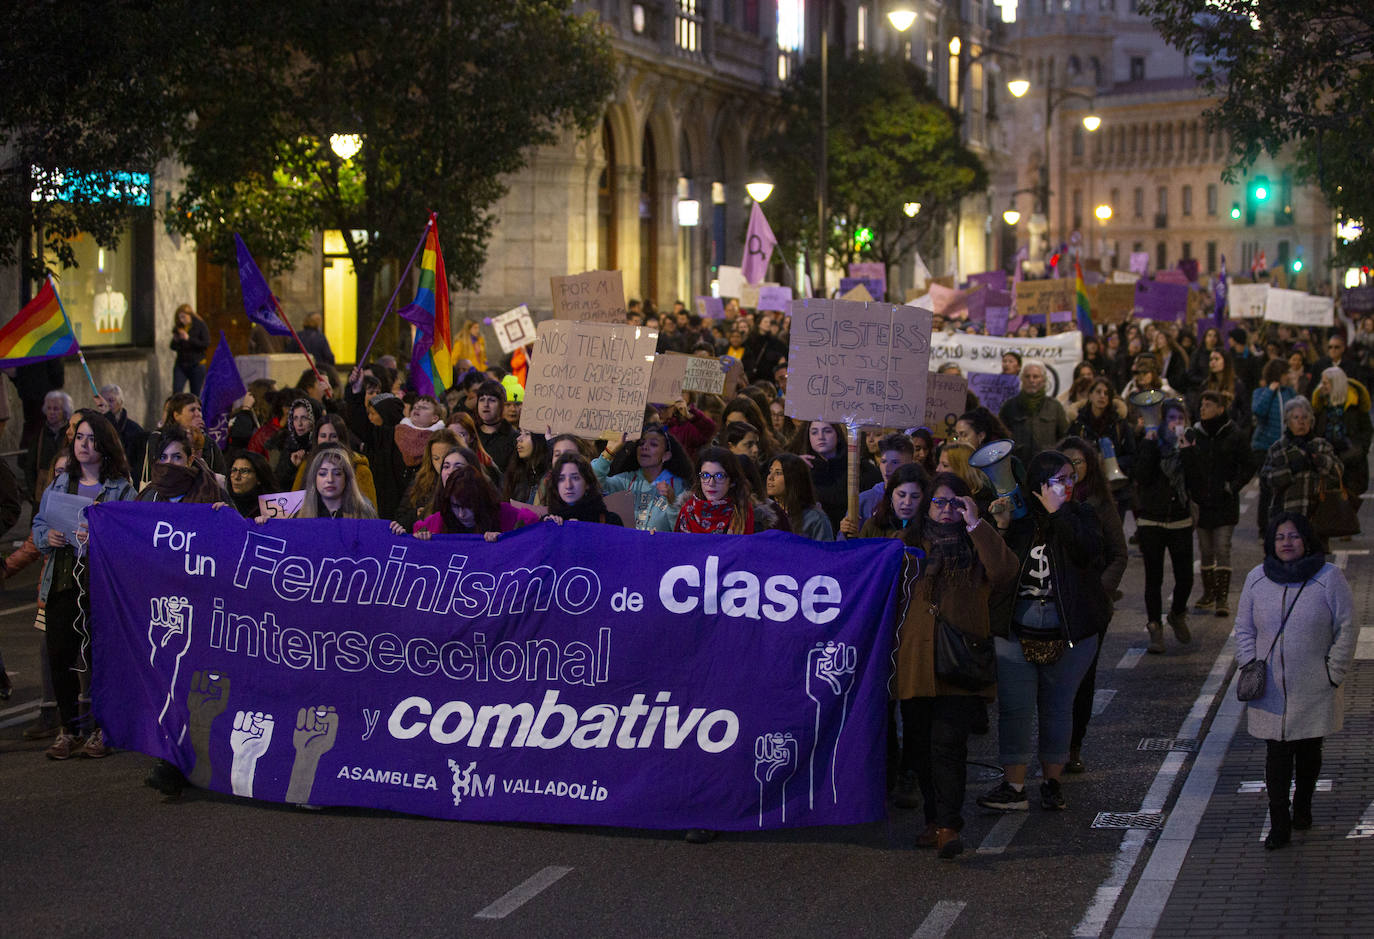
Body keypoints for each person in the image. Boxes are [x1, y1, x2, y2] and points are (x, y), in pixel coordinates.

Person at [894, 472, 1017, 857]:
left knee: (948, 746)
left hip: (961, 663)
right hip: (916, 664)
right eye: (939, 502)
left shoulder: (976, 545)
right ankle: (934, 821)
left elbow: (1005, 571)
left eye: (955, 503)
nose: (946, 510)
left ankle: (949, 826)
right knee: (920, 749)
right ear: (926, 506)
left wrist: (977, 525)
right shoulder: (908, 544)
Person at [978, 451, 1107, 813]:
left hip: (1069, 633)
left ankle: (1052, 782)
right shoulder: (1019, 521)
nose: (1067, 485)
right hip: (1016, 632)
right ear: (1038, 485)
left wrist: (1059, 512)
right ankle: (1014, 786)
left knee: (1057, 709)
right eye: (1057, 480)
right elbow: (997, 570)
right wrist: (1001, 526)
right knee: (1015, 710)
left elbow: (1089, 551)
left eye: (1070, 478)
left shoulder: (1081, 514)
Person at [1233, 512, 1358, 850]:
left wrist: (1334, 671)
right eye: (1280, 537)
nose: (1286, 543)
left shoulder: (1329, 578)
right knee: (1276, 753)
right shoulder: (1257, 579)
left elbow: (1346, 627)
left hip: (1314, 684)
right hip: (1270, 687)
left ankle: (1303, 804)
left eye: (1293, 536)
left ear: (1306, 540)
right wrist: (1248, 662)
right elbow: (1244, 627)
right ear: (1272, 543)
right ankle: (1280, 821)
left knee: (1308, 750)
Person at [33, 410, 137, 760]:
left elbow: (131, 537)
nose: (84, 445)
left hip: (100, 587)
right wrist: (49, 535)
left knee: (99, 660)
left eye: (92, 439)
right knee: (59, 656)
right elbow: (38, 524)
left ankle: (102, 729)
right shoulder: (60, 483)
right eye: (79, 437)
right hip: (62, 582)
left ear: (105, 445)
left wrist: (99, 536)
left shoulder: (120, 489)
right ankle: (69, 730)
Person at [1057, 437, 1127, 775]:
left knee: (1082, 679)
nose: (1073, 469)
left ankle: (1074, 745)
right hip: (1055, 604)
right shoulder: (1050, 503)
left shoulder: (1099, 504)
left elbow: (1119, 554)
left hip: (1090, 607)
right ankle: (1052, 745)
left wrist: (1100, 591)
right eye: (1066, 462)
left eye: (1079, 462)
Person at [1133, 399, 1196, 653]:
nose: (1176, 424)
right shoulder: (1151, 442)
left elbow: (1197, 481)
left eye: (1180, 419)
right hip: (1151, 519)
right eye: (1171, 419)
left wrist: (1189, 451)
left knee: (1186, 578)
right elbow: (1142, 476)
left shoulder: (1190, 445)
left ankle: (1177, 613)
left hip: (1180, 519)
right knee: (1154, 577)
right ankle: (1154, 627)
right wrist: (1149, 444)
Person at [1182, 391, 1251, 618]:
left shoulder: (1234, 434)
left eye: (1208, 405)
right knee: (1205, 549)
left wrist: (1233, 486)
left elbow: (1248, 465)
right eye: (1201, 404)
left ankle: (1222, 597)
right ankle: (1208, 593)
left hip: (1224, 502)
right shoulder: (1195, 433)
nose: (1203, 408)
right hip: (1202, 502)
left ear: (1220, 409)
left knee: (1222, 547)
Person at [399, 451, 536, 540]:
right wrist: (404, 534)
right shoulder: (438, 521)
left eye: (468, 507)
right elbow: (413, 537)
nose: (461, 514)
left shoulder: (504, 514)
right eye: (455, 506)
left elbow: (534, 523)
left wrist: (507, 539)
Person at [1065, 377, 1137, 525]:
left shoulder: (1119, 424)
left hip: (1116, 490)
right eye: (1098, 392)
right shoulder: (1078, 424)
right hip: (1085, 490)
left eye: (1106, 393)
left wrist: (1113, 463)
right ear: (1090, 395)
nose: (1102, 396)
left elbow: (1132, 455)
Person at [593, 425, 692, 532]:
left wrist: (672, 504)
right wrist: (609, 452)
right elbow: (593, 481)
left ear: (666, 456)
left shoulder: (678, 485)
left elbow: (682, 532)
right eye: (641, 443)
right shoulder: (628, 479)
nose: (644, 447)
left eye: (653, 444)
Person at [1260, 397, 1343, 525]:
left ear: (1311, 421)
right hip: (1286, 515)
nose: (1301, 422)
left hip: (1318, 514)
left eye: (1305, 417)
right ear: (1287, 421)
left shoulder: (1321, 445)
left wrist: (1320, 460)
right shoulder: (1278, 448)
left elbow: (1338, 472)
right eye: (1296, 418)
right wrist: (1291, 469)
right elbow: (1267, 480)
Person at [791, 420, 881, 532]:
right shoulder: (802, 468)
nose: (820, 437)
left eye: (827, 431)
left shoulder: (859, 467)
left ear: (837, 435)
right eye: (814, 432)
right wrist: (793, 467)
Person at [1312, 366, 1372, 514]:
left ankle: (1346, 525)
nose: (1322, 386)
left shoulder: (1355, 405)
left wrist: (1360, 449)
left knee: (1350, 493)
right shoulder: (1320, 405)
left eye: (1326, 383)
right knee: (1326, 495)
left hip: (1351, 457)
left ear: (1336, 384)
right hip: (1327, 457)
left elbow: (1366, 430)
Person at [289, 414, 378, 507]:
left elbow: (370, 514)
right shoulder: (306, 465)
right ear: (317, 439)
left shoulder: (360, 470)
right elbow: (293, 507)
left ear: (342, 439)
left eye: (333, 436)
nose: (327, 441)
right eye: (323, 436)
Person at [1250, 359, 1297, 536]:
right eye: (1286, 373)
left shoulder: (1290, 393)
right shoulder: (1260, 392)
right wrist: (1270, 391)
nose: (1289, 377)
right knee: (1266, 489)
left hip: (1285, 447)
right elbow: (1258, 411)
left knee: (1285, 489)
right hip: (1264, 447)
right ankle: (1264, 528)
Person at [999, 361, 1069, 468]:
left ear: (1044, 380)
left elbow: (1064, 438)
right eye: (1027, 376)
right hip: (1018, 469)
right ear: (1022, 379)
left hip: (1047, 467)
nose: (1031, 380)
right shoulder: (1009, 406)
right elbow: (1000, 439)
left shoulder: (1055, 407)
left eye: (1035, 376)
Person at [674, 446, 755, 534]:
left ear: (732, 481)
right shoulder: (687, 510)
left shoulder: (742, 512)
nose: (711, 483)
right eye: (705, 475)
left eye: (719, 476)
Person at [138, 427, 228, 504]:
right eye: (163, 457)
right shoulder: (149, 495)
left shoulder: (210, 491)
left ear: (190, 460)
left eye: (177, 457)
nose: (169, 463)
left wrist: (222, 513)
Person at [761, 453, 834, 540]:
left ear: (794, 479)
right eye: (770, 472)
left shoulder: (815, 519)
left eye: (778, 473)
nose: (770, 477)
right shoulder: (764, 514)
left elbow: (825, 552)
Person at [543, 453, 623, 526]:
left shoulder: (610, 521)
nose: (568, 485)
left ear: (587, 483)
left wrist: (586, 532)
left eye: (575, 478)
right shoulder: (547, 521)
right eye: (561, 479)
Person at [296, 447, 377, 519]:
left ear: (347, 477)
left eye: (337, 473)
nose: (330, 479)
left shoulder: (364, 512)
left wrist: (389, 531)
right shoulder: (301, 515)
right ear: (314, 479)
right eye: (322, 474)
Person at [22, 389, 72, 505]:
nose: (51, 412)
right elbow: (30, 465)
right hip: (43, 492)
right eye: (49, 408)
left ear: (64, 411)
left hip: (66, 491)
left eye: (56, 409)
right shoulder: (39, 433)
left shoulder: (72, 433)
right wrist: (33, 490)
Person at [99, 383, 149, 475]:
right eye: (103, 401)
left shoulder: (134, 430)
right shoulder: (96, 426)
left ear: (120, 402)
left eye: (110, 400)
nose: (106, 405)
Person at [473, 380, 519, 474]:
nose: (485, 405)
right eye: (482, 400)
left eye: (492, 400)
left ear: (502, 405)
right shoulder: (471, 434)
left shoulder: (514, 438)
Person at [170, 303, 210, 394]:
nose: (181, 320)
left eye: (183, 317)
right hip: (181, 363)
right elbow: (172, 347)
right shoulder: (179, 327)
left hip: (197, 364)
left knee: (195, 393)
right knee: (177, 390)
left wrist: (188, 338)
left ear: (190, 315)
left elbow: (205, 343)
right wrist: (176, 340)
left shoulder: (200, 325)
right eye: (179, 318)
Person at [501, 429, 548, 505]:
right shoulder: (514, 473)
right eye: (520, 433)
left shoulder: (549, 474)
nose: (518, 438)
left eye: (527, 434)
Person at [225, 451, 276, 518]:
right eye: (234, 470)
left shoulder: (274, 507)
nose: (236, 477)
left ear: (259, 477)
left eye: (244, 471)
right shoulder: (223, 501)